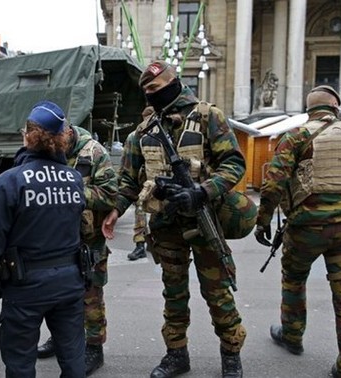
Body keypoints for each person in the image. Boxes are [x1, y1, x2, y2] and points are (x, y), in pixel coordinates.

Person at [102, 61, 247, 378]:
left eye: (155, 88)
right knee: (174, 293)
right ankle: (176, 354)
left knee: (217, 293)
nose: (150, 95)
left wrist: (203, 191)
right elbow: (127, 181)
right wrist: (115, 210)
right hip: (167, 226)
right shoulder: (141, 133)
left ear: (174, 83)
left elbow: (234, 165)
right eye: (146, 91)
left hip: (206, 218)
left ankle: (231, 355)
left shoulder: (208, 116)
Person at [254, 85, 341, 378]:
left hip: (305, 228)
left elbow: (274, 183)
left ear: (308, 110)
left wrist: (262, 221)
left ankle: (292, 335)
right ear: (336, 106)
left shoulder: (296, 136)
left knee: (294, 280)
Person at [0, 100, 86, 378]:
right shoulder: (74, 179)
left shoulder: (11, 181)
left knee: (20, 361)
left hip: (25, 286)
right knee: (72, 356)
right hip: (71, 280)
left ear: (27, 136)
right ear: (62, 139)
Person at [36, 121, 118, 375]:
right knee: (57, 295)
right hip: (55, 238)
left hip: (88, 239)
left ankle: (94, 347)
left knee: (91, 295)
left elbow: (110, 192)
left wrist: (70, 192)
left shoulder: (93, 152)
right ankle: (59, 338)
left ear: (67, 132)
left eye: (55, 139)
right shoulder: (45, 150)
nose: (52, 145)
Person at [127, 106, 155, 261]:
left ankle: (152, 242)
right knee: (140, 210)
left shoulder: (161, 136)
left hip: (158, 182)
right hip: (143, 184)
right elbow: (128, 165)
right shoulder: (136, 136)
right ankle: (140, 245)